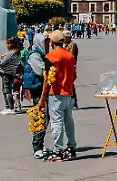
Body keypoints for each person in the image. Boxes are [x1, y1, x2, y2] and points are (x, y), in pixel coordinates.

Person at [44, 30, 78, 161]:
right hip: (68, 93)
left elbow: (47, 79)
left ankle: (57, 150)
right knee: (68, 120)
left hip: (56, 93)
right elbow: (74, 75)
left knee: (57, 122)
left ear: (52, 42)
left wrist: (43, 98)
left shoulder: (51, 56)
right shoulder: (70, 56)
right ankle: (71, 147)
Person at [0, 38, 23, 114]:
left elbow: (2, 62)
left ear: (10, 45)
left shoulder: (11, 53)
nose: (6, 45)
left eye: (6, 44)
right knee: (5, 90)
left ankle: (10, 107)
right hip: (9, 73)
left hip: (7, 74)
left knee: (7, 91)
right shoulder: (14, 53)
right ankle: (7, 107)